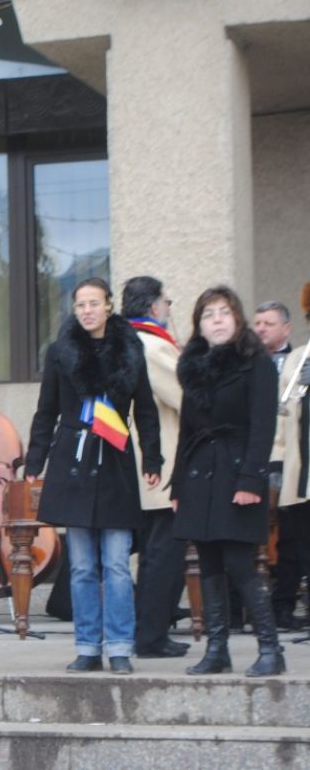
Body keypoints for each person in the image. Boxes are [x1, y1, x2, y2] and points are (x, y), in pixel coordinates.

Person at [25, 278, 162, 675]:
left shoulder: (130, 348)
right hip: (74, 463)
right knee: (82, 566)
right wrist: (35, 459)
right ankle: (87, 647)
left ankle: (119, 647)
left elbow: (146, 409)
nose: (87, 310)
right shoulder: (60, 351)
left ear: (108, 306)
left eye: (94, 303)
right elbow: (46, 410)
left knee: (116, 564)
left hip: (116, 461)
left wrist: (153, 459)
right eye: (80, 304)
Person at [173, 286, 283, 676]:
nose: (216, 320)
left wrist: (251, 480)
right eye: (208, 314)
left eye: (224, 312)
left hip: (238, 473)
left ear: (236, 318)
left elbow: (263, 427)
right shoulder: (194, 366)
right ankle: (217, 649)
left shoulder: (256, 363)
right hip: (200, 476)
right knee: (208, 564)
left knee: (240, 563)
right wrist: (177, 485)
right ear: (199, 325)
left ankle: (271, 649)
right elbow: (187, 431)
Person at [121, 276, 190, 659]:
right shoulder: (150, 344)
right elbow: (186, 396)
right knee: (164, 554)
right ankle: (151, 636)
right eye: (167, 302)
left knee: (152, 553)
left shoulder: (125, 340)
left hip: (140, 464)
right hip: (160, 466)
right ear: (153, 306)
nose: (168, 309)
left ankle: (148, 632)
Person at [255, 300, 306, 630]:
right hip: (279, 461)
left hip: (297, 461)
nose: (261, 329)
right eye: (258, 323)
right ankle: (271, 608)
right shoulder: (294, 358)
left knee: (293, 538)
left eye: (269, 323)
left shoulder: (298, 359)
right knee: (280, 538)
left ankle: (285, 605)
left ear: (286, 328)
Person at [273, 306, 310, 630]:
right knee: (295, 543)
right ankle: (286, 609)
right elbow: (282, 416)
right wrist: (277, 460)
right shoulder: (297, 359)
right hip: (300, 470)